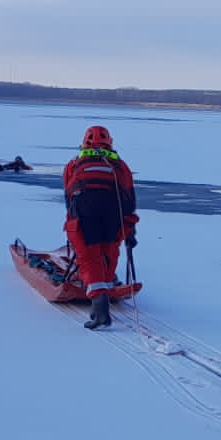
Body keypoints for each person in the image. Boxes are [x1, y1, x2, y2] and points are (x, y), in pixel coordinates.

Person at [62, 125, 138, 328]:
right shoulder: (119, 165)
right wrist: (130, 230)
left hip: (84, 215)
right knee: (109, 250)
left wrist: (72, 224)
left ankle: (100, 306)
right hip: (114, 215)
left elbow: (69, 198)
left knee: (89, 256)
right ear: (109, 143)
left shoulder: (74, 164)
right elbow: (130, 199)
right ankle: (106, 286)